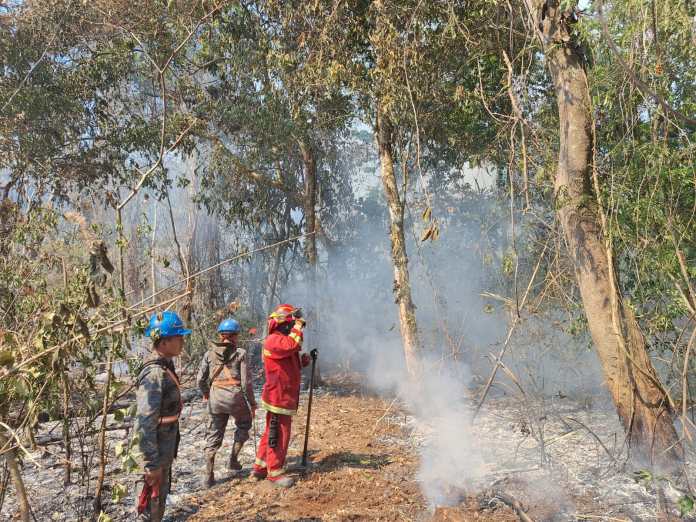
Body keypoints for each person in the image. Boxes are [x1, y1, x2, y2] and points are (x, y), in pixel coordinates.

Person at [134, 310, 190, 521]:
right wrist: (151, 464)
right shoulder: (155, 374)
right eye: (179, 337)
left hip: (163, 446)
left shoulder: (166, 366)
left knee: (159, 498)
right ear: (164, 342)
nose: (182, 341)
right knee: (152, 502)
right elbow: (145, 422)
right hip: (155, 451)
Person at [251, 304, 310, 488]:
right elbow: (292, 344)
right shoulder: (274, 340)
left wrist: (302, 362)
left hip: (282, 394)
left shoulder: (280, 341)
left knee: (271, 431)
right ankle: (274, 472)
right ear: (283, 323)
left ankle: (260, 468)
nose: (292, 327)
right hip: (278, 396)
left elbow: (287, 362)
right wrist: (299, 324)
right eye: (291, 323)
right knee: (279, 433)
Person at [197, 317, 256, 488]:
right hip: (235, 398)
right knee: (244, 424)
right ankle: (233, 460)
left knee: (213, 436)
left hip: (215, 398)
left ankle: (208, 476)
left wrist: (206, 394)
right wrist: (252, 404)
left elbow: (200, 379)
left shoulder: (208, 354)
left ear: (220, 335)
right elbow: (246, 383)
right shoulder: (241, 354)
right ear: (236, 336)